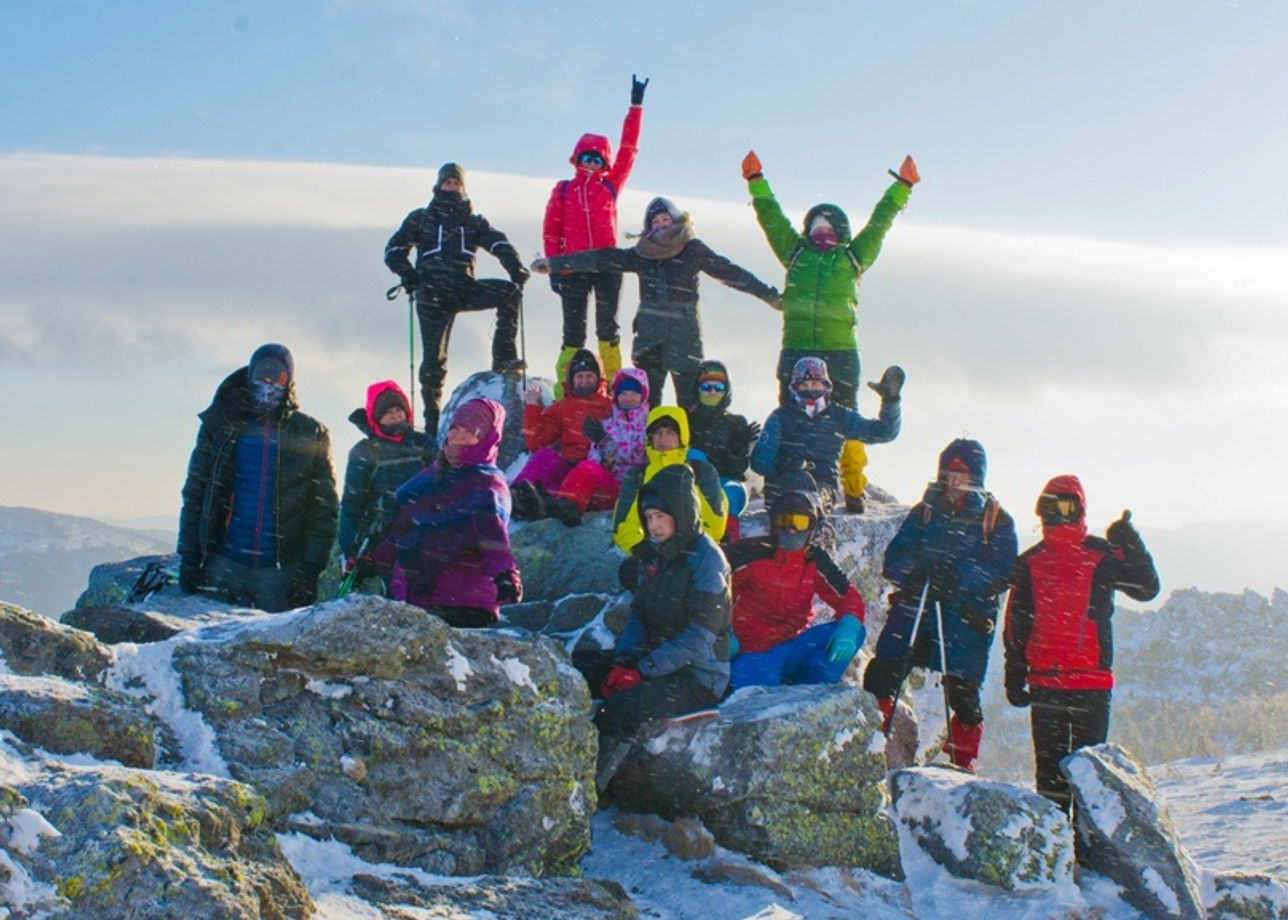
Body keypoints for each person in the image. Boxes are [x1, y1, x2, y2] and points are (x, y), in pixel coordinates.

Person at [741, 149, 918, 511]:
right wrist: (757, 183)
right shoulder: (795, 253)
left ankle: (853, 488)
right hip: (796, 348)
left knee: (846, 422)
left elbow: (880, 222)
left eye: (829, 229)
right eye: (815, 228)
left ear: (841, 232)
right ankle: (783, 481)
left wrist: (902, 187)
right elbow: (772, 219)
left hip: (840, 353)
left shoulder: (854, 256)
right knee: (790, 419)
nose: (821, 234)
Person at [1003, 476, 1160, 812]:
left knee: (1085, 780)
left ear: (1080, 508)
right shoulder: (1030, 561)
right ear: (1040, 509)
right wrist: (1014, 672)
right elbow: (1016, 623)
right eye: (1051, 505)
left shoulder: (1101, 555)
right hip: (1052, 683)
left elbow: (1147, 588)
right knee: (1054, 781)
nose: (1057, 513)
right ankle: (1062, 854)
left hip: (1085, 683)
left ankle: (1083, 857)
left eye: (1065, 505)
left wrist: (1131, 542)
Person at [861, 439, 1017, 772]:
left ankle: (962, 764)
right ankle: (871, 742)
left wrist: (958, 577)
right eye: (950, 471)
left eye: (962, 472)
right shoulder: (925, 511)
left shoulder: (995, 518)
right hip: (919, 609)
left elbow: (1004, 571)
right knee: (885, 672)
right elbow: (893, 560)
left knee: (962, 693)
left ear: (976, 475)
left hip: (963, 618)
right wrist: (919, 571)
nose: (954, 479)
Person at [534, 197, 778, 406]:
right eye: (655, 222)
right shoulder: (642, 254)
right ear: (649, 227)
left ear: (676, 220)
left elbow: (731, 273)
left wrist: (769, 295)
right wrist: (555, 263)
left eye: (665, 219)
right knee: (646, 403)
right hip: (649, 339)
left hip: (685, 337)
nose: (661, 225)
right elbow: (602, 258)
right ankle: (646, 456)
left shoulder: (693, 249)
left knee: (689, 402)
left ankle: (687, 456)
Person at [594, 463, 733, 791]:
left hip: (698, 676)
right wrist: (622, 662)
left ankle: (588, 793)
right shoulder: (654, 556)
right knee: (580, 670)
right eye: (649, 518)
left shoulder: (708, 560)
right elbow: (640, 615)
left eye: (661, 517)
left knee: (618, 711)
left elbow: (701, 635)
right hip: (654, 658)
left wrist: (642, 672)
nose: (653, 527)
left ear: (681, 514)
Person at [178, 343, 337, 612]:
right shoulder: (222, 424)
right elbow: (195, 492)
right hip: (223, 565)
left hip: (279, 574)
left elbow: (324, 510)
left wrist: (309, 571)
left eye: (279, 376)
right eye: (262, 374)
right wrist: (189, 558)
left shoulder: (311, 433)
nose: (269, 382)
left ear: (290, 380)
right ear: (250, 375)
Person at [384, 162, 531, 435]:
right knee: (433, 362)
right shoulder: (421, 218)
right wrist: (409, 275)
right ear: (438, 185)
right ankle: (431, 424)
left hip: (464, 288)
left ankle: (504, 361)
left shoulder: (473, 221)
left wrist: (515, 268)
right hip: (431, 294)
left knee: (508, 294)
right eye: (447, 183)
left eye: (456, 183)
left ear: (463, 187)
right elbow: (393, 249)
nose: (451, 187)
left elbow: (499, 243)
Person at [372, 398, 522, 628]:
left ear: (487, 437)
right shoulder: (429, 480)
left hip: (462, 604)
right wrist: (373, 560)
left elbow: (493, 535)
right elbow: (403, 532)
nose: (458, 438)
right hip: (418, 600)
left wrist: (506, 575)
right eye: (455, 429)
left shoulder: (485, 484)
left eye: (470, 431)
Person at [543, 75, 648, 390]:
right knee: (573, 332)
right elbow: (552, 230)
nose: (590, 163)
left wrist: (636, 107)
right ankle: (565, 389)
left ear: (604, 162)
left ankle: (615, 388)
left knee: (607, 329)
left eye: (596, 158)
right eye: (585, 157)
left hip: (607, 265)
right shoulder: (563, 190)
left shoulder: (610, 186)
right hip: (573, 268)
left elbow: (629, 148)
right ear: (577, 159)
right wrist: (554, 267)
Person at [723, 470, 867, 689]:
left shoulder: (815, 559)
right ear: (774, 523)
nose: (791, 528)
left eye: (799, 522)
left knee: (854, 631)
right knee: (758, 699)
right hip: (752, 649)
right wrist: (721, 634)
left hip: (795, 645)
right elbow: (712, 590)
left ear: (811, 526)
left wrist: (848, 627)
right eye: (784, 520)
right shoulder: (750, 553)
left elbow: (848, 597)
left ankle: (810, 689)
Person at [750, 356, 902, 512]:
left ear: (826, 387)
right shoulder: (780, 417)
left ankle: (808, 522)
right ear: (794, 388)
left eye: (815, 384)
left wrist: (891, 401)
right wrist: (786, 464)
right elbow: (760, 463)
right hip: (780, 489)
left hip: (823, 491)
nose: (810, 390)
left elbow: (885, 432)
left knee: (809, 498)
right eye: (803, 385)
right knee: (796, 487)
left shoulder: (840, 417)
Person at [337, 380, 433, 584]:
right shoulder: (364, 451)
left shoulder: (424, 443)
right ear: (376, 418)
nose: (395, 415)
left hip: (425, 533)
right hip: (381, 541)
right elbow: (352, 504)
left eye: (399, 409)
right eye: (388, 412)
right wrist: (350, 548)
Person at [509, 349, 612, 521]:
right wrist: (533, 406)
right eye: (580, 376)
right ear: (572, 379)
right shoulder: (561, 407)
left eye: (589, 376)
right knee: (544, 456)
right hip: (568, 470)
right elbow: (536, 442)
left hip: (597, 474)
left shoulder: (611, 405)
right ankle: (518, 497)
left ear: (599, 378)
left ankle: (565, 506)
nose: (584, 381)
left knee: (587, 470)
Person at [543, 368, 652, 527]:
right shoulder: (606, 426)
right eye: (623, 394)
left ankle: (567, 504)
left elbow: (648, 458)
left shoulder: (650, 426)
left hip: (634, 491)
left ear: (643, 395)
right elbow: (593, 462)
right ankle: (565, 504)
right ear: (616, 396)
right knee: (584, 468)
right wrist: (605, 457)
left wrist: (613, 448)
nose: (628, 398)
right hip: (609, 489)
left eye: (633, 393)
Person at [612, 406, 727, 553]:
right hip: (651, 557)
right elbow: (623, 527)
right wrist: (647, 553)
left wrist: (686, 553)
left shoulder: (700, 471)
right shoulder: (637, 475)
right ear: (649, 438)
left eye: (670, 433)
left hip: (697, 555)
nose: (663, 439)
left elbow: (716, 524)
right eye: (657, 433)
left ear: (682, 437)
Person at [685, 360, 760, 538]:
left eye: (718, 387)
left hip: (726, 481)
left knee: (728, 495)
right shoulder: (685, 420)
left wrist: (738, 448)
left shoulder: (736, 423)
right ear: (697, 388)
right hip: (692, 483)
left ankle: (727, 538)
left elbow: (737, 470)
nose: (712, 392)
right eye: (706, 386)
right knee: (695, 455)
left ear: (726, 390)